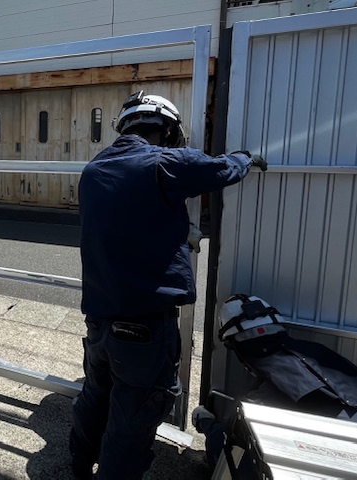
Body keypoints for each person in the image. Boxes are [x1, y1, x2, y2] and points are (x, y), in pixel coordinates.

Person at [69, 91, 267, 479]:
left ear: (124, 126)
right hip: (144, 326)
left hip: (98, 320)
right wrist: (245, 158)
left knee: (95, 396)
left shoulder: (93, 171)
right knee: (133, 420)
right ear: (169, 130)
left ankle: (77, 466)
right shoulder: (164, 163)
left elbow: (131, 218)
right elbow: (219, 169)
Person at [192, 294, 357, 476]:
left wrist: (205, 422)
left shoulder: (262, 400)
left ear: (237, 349)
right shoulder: (323, 356)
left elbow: (225, 448)